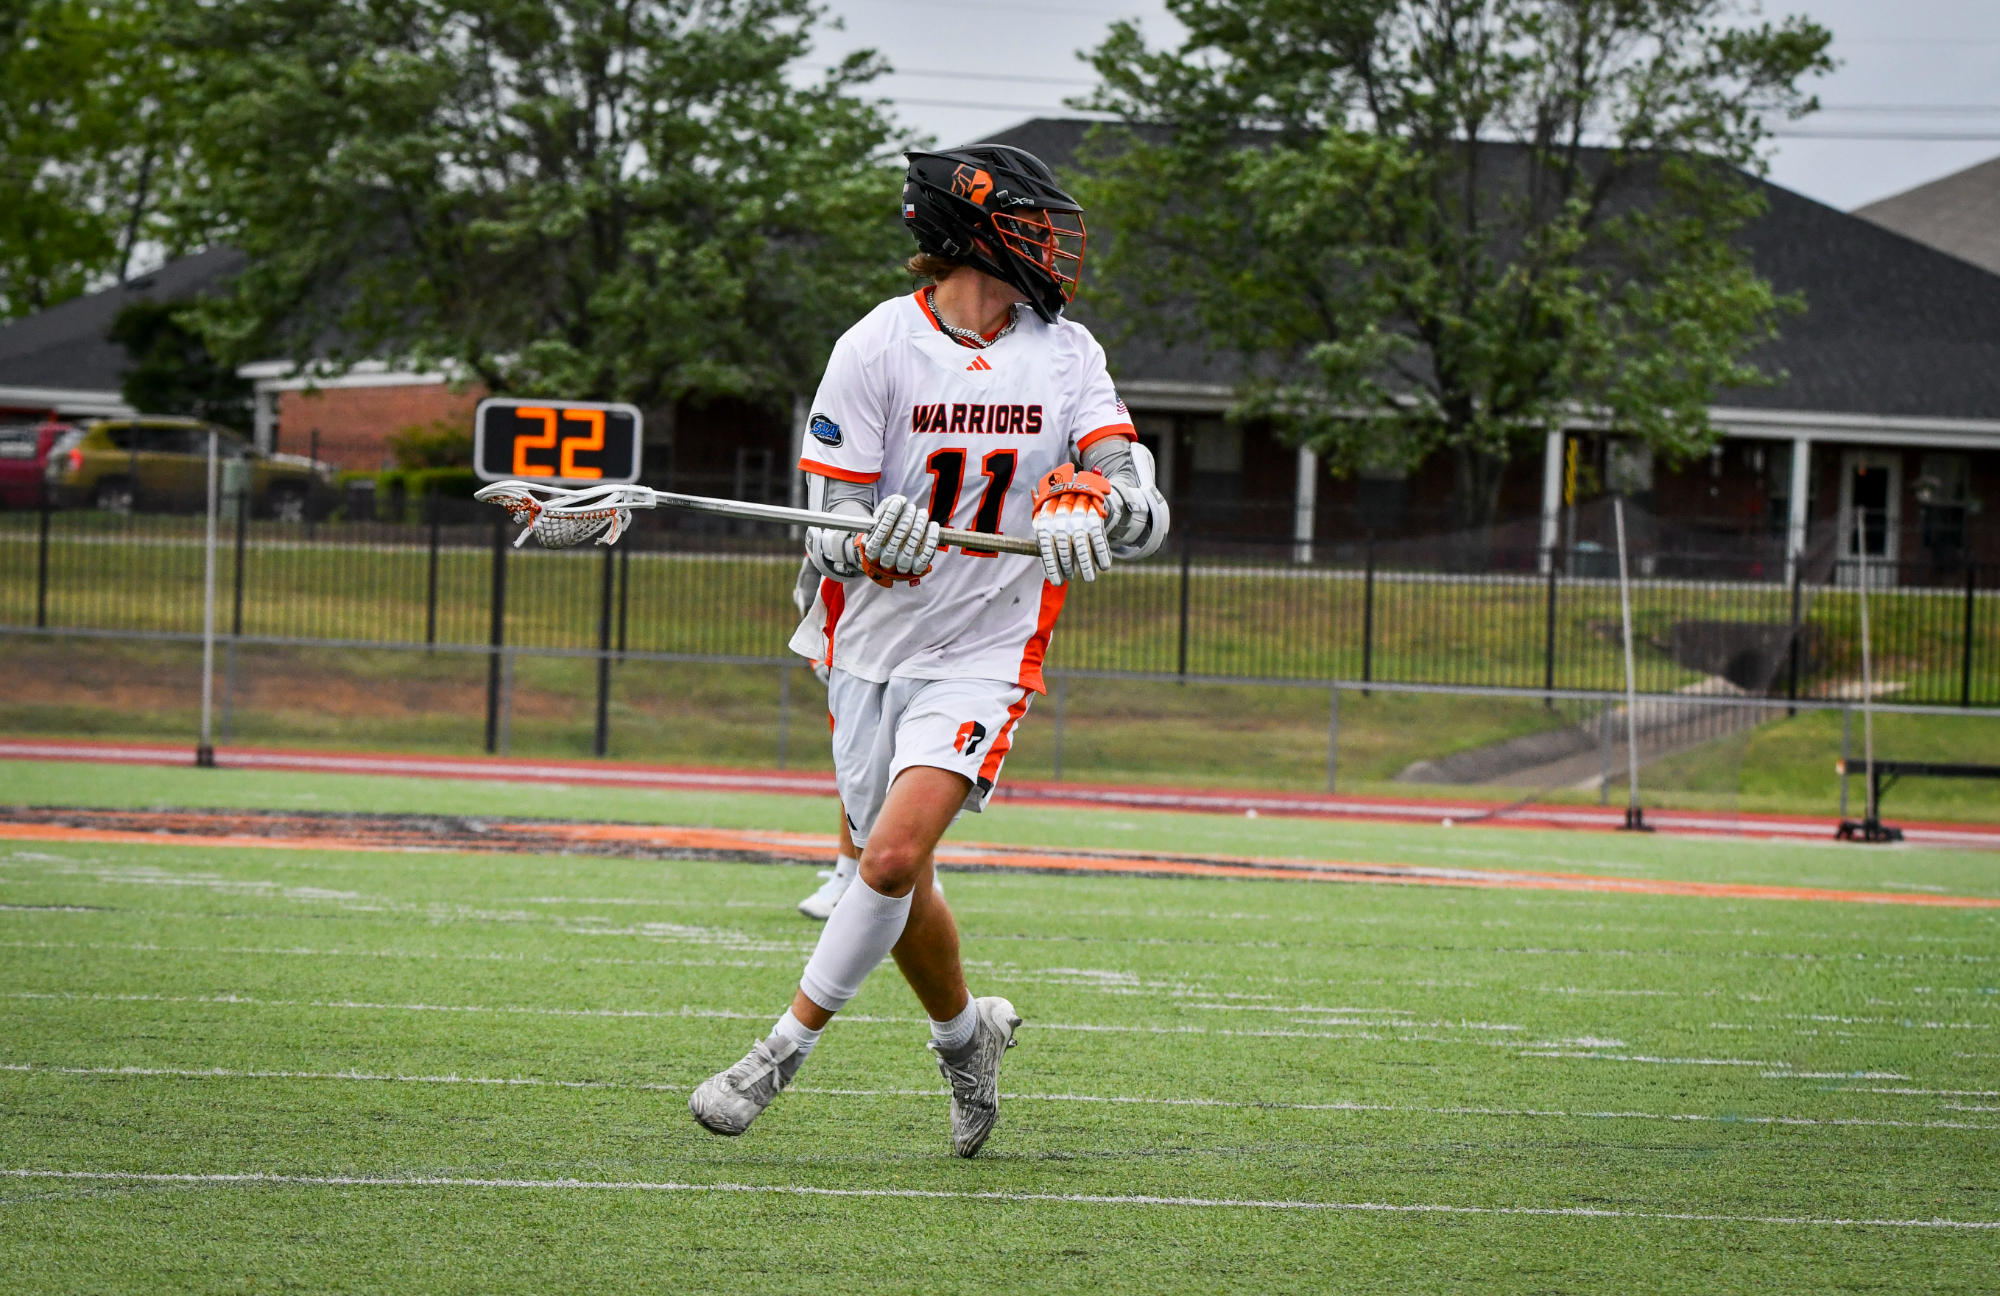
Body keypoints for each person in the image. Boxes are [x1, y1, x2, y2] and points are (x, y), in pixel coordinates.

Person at [688, 143, 1169, 1157]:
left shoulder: (1066, 351)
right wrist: (870, 540)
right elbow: (829, 525)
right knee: (893, 877)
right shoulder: (874, 348)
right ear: (969, 232)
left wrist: (1107, 500)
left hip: (988, 645)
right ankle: (965, 1040)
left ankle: (776, 1053)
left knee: (894, 854)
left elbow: (1135, 492)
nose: (1050, 244)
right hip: (866, 643)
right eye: (1031, 224)